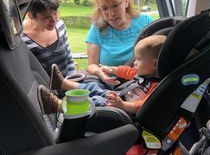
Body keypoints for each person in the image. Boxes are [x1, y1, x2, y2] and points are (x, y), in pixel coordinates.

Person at [38, 35, 166, 115]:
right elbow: (125, 71)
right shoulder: (139, 73)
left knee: (97, 101)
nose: (135, 63)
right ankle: (62, 84)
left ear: (154, 64)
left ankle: (58, 106)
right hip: (118, 98)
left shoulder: (157, 87)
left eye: (138, 59)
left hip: (124, 110)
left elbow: (141, 106)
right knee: (94, 86)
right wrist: (111, 69)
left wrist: (122, 105)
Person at [86, 0, 154, 86]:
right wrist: (100, 73)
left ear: (126, 2)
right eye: (105, 8)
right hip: (110, 91)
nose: (111, 14)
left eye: (115, 5)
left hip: (143, 87)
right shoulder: (96, 28)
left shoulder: (146, 22)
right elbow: (91, 65)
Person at [21, 0, 75, 79]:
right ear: (30, 15)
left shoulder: (60, 26)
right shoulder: (22, 39)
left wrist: (73, 84)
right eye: (46, 17)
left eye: (55, 13)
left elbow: (69, 59)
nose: (54, 20)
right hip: (43, 92)